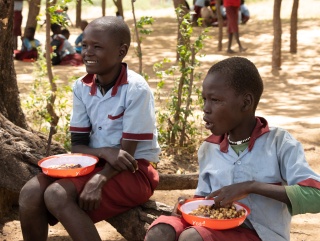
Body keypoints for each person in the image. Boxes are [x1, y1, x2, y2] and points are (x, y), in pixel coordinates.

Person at [144, 57, 320, 241]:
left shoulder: (279, 143)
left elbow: (316, 196)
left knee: (192, 238)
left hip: (262, 235)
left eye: (215, 100)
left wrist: (251, 187)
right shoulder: (208, 148)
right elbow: (206, 202)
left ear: (245, 103)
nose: (206, 109)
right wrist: (188, 205)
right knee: (160, 232)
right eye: (204, 99)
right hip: (215, 228)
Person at [19, 16, 161, 241]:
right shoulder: (82, 86)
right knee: (30, 192)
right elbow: (78, 145)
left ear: (121, 51)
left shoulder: (135, 89)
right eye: (84, 46)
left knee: (56, 195)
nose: (87, 52)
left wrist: (99, 179)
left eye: (97, 47)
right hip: (92, 164)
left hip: (134, 171)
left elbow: (126, 156)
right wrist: (104, 152)